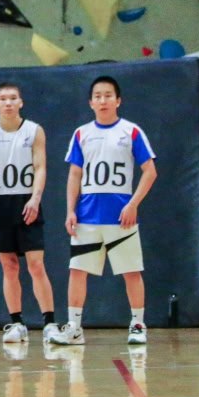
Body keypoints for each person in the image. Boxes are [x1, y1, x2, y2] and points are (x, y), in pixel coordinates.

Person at [53, 75, 157, 347]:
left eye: (108, 95)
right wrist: (70, 210)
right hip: (87, 216)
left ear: (118, 100)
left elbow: (150, 172)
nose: (103, 100)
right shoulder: (81, 133)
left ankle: (137, 324)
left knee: (131, 271)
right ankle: (74, 327)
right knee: (77, 271)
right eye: (97, 96)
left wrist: (132, 204)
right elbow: (74, 174)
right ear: (90, 102)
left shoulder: (131, 131)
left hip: (120, 216)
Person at [0, 82, 56, 346]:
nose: (8, 103)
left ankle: (49, 323)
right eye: (3, 99)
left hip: (26, 201)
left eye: (13, 98)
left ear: (21, 102)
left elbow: (41, 167)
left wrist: (35, 197)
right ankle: (17, 322)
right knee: (9, 267)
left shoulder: (34, 131)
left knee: (36, 265)